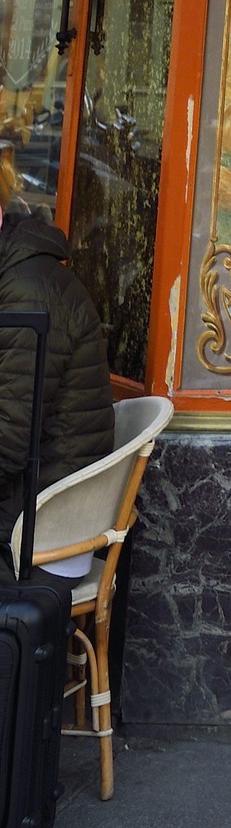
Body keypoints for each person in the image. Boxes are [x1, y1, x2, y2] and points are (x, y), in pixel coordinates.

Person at [0, 153, 113, 568]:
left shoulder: (28, 290)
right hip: (26, 501)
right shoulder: (13, 274)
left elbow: (8, 441)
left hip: (40, 529)